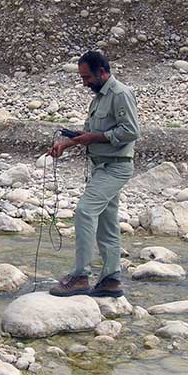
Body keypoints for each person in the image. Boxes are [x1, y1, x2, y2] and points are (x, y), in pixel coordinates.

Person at [47, 49, 140, 298]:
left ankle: (80, 276)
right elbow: (89, 134)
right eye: (82, 78)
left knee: (85, 212)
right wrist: (66, 144)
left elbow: (131, 131)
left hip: (116, 166)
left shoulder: (120, 94)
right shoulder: (98, 97)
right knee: (107, 225)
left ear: (102, 71)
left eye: (87, 77)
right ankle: (111, 279)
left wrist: (94, 137)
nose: (84, 83)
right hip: (102, 166)